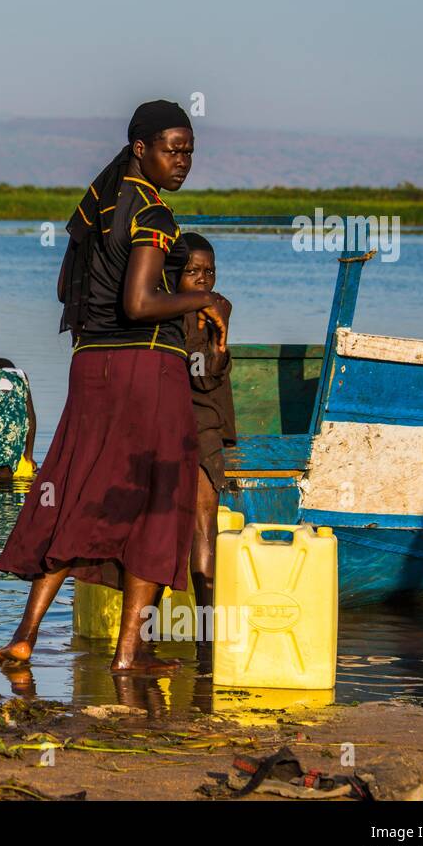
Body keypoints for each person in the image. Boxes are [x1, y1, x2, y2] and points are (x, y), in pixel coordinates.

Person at [0, 99, 231, 673]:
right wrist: (205, 298)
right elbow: (140, 302)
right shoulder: (151, 212)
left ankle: (25, 637)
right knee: (158, 502)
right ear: (142, 149)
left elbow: (63, 289)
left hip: (90, 367)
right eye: (173, 150)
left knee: (76, 492)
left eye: (190, 151)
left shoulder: (96, 204)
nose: (183, 161)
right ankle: (128, 655)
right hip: (146, 369)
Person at [178, 232, 237, 618]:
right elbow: (201, 375)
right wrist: (221, 334)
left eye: (209, 271)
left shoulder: (166, 307)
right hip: (199, 428)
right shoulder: (199, 313)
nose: (203, 279)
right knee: (203, 528)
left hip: (190, 426)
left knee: (190, 527)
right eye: (192, 271)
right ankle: (205, 633)